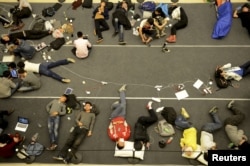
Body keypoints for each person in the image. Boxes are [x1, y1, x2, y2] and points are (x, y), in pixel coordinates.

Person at [108, 84, 131, 149]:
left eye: (121, 144)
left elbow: (110, 129)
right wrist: (125, 122)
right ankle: (121, 91)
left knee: (121, 106)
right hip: (122, 117)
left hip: (114, 117)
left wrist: (111, 122)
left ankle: (114, 106)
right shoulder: (126, 136)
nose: (122, 142)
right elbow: (128, 128)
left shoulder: (113, 137)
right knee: (123, 104)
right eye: (123, 144)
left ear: (117, 143)